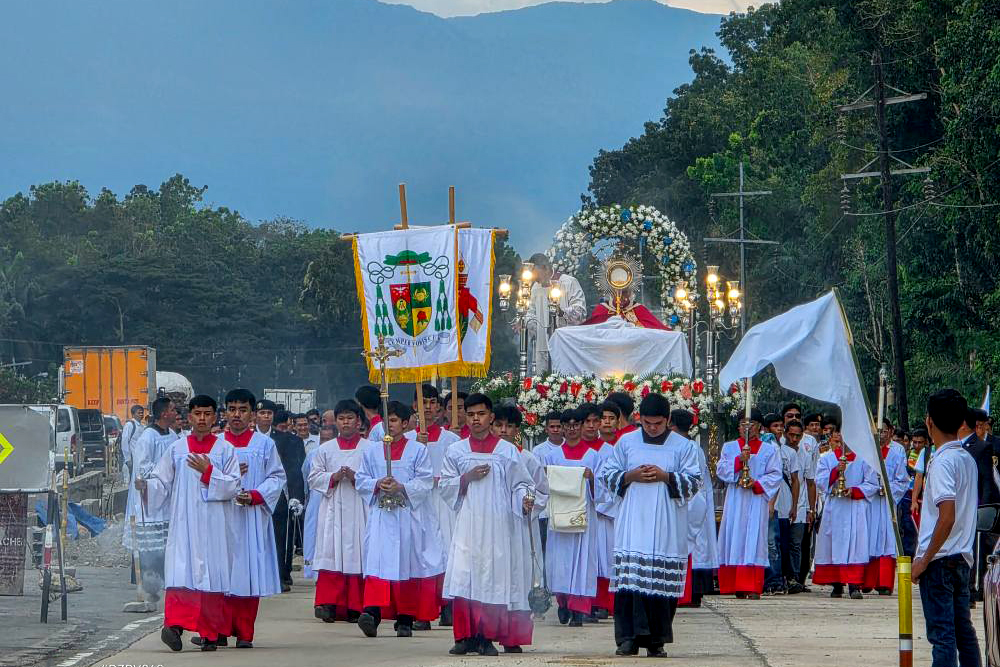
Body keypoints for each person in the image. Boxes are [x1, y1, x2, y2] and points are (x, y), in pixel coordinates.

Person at [601, 394, 702, 657]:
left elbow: (694, 482)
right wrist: (631, 475)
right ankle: (627, 639)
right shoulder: (627, 442)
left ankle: (656, 641)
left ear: (668, 420)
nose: (652, 428)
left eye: (657, 423)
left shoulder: (683, 446)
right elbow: (607, 474)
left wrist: (666, 476)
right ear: (639, 419)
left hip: (666, 523)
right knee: (631, 584)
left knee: (661, 585)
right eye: (647, 423)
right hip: (634, 521)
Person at [138, 395, 241, 652]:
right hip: (184, 522)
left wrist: (208, 471)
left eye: (208, 414)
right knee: (181, 571)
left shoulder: (225, 450)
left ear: (215, 417)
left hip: (215, 524)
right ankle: (173, 626)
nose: (203, 419)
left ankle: (209, 633)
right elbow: (162, 482)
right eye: (198, 414)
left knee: (211, 575)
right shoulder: (177, 448)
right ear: (190, 417)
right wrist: (146, 487)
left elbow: (233, 485)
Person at [441, 394, 540, 656]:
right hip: (468, 524)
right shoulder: (456, 451)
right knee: (465, 577)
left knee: (492, 578)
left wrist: (524, 500)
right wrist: (466, 477)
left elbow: (522, 484)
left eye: (481, 414)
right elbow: (444, 485)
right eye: (471, 414)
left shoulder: (506, 451)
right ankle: (464, 636)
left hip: (498, 525)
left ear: (491, 417)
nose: (476, 419)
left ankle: (486, 636)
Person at [355, 401, 443, 638]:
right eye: (386, 421)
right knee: (377, 562)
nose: (389, 426)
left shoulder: (417, 450)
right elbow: (361, 478)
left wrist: (402, 486)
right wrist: (377, 484)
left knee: (407, 564)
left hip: (407, 516)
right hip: (382, 516)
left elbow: (425, 481)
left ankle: (405, 619)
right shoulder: (372, 451)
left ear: (405, 424)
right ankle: (371, 613)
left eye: (394, 421)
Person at [210, 389, 286, 648]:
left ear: (252, 414)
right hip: (222, 515)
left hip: (251, 517)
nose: (236, 415)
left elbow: (277, 477)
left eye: (242, 410)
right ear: (225, 413)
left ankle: (244, 632)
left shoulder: (264, 444)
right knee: (221, 573)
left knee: (247, 573)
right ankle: (218, 629)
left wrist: (255, 494)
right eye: (232, 409)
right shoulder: (215, 444)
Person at [913, 388, 981, 666]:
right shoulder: (967, 459)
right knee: (963, 632)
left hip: (940, 560)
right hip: (962, 558)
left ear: (929, 421)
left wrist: (924, 560)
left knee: (942, 636)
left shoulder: (941, 461)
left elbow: (947, 516)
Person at [310, 400, 372, 623]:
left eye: (350, 418)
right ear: (335, 422)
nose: (345, 423)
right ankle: (329, 604)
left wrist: (357, 478)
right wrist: (333, 477)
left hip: (359, 506)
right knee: (331, 551)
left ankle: (357, 605)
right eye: (341, 418)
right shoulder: (325, 450)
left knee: (358, 552)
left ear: (359, 421)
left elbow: (376, 478)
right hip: (333, 507)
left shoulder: (370, 448)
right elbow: (313, 478)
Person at [540, 407, 601, 625]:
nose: (572, 429)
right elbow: (543, 486)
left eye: (577, 424)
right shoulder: (551, 456)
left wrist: (592, 478)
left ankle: (579, 610)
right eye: (568, 425)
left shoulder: (593, 456)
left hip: (583, 518)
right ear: (563, 429)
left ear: (583, 426)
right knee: (561, 562)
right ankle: (564, 602)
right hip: (559, 516)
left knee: (583, 562)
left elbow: (603, 490)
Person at [715, 408, 782, 599]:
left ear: (759, 426)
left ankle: (751, 585)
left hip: (755, 499)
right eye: (743, 423)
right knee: (734, 536)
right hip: (736, 498)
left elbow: (775, 474)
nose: (747, 427)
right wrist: (739, 461)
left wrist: (758, 484)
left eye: (751, 423)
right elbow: (721, 470)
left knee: (754, 538)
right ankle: (733, 584)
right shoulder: (729, 447)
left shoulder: (769, 450)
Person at [409, 384, 456, 629]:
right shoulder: (406, 440)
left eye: (431, 402)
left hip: (444, 503)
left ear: (439, 406)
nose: (427, 408)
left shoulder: (452, 439)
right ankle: (422, 611)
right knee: (422, 556)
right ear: (414, 406)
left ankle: (448, 605)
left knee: (447, 553)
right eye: (421, 402)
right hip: (418, 504)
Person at [813, 425, 878, 599]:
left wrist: (855, 491)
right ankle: (836, 583)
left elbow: (872, 484)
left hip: (854, 507)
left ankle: (854, 584)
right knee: (833, 543)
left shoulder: (864, 459)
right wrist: (836, 471)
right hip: (835, 506)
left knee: (855, 545)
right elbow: (819, 481)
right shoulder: (826, 458)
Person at [671, 408, 717, 607]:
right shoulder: (692, 447)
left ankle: (691, 593)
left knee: (692, 546)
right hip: (691, 500)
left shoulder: (685, 447)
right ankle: (691, 592)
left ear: (671, 424)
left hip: (690, 501)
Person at [522, 253, 587, 374]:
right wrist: (525, 321)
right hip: (543, 345)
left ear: (546, 268)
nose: (535, 279)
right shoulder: (535, 287)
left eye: (536, 275)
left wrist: (561, 312)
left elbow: (581, 312)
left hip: (566, 345)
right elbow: (531, 312)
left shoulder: (569, 283)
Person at [865, 419, 909, 595]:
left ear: (889, 432)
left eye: (882, 431)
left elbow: (903, 480)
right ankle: (866, 581)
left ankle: (884, 582)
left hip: (886, 503)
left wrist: (888, 489)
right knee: (867, 538)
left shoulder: (896, 452)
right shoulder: (866, 451)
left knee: (886, 540)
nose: (880, 434)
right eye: (876, 431)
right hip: (869, 501)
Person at [270, 410, 307, 592]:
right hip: (257, 496)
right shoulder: (254, 439)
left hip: (283, 495)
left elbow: (296, 472)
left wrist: (297, 497)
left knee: (283, 539)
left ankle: (282, 573)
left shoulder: (294, 441)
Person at [762, 413, 797, 595]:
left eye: (780, 425)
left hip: (775, 502)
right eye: (775, 426)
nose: (780, 429)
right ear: (767, 429)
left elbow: (775, 478)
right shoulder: (766, 447)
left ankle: (775, 579)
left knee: (773, 543)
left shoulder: (782, 450)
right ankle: (766, 578)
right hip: (764, 500)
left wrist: (772, 503)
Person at [302, 421, 336, 582]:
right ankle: (314, 572)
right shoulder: (312, 454)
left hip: (335, 500)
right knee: (314, 533)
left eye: (328, 439)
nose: (325, 443)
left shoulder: (339, 453)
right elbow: (305, 474)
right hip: (316, 500)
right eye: (322, 439)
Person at [782, 419, 812, 593]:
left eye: (798, 436)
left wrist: (810, 509)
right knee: (781, 542)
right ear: (786, 433)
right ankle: (782, 576)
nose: (794, 439)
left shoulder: (805, 455)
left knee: (796, 543)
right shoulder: (779, 450)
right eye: (791, 435)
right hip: (782, 502)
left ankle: (795, 577)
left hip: (800, 505)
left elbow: (810, 483)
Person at [583, 286, 670, 330]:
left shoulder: (639, 309)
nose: (620, 296)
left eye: (624, 292)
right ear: (611, 292)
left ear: (630, 293)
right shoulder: (602, 309)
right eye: (616, 292)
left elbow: (657, 329)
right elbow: (589, 331)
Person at [121, 404, 147, 483]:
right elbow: (124, 442)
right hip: (132, 459)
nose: (141, 415)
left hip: (141, 459)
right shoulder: (129, 425)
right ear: (133, 414)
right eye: (139, 413)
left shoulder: (143, 427)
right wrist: (128, 459)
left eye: (142, 413)